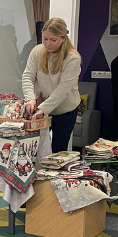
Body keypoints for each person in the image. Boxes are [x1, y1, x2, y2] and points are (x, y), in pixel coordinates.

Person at [21, 17, 82, 153]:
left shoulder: (73, 58)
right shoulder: (37, 51)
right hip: (42, 108)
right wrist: (30, 98)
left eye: (53, 40)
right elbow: (28, 75)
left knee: (58, 151)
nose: (48, 44)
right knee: (36, 149)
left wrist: (42, 108)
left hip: (65, 109)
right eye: (45, 39)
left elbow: (63, 90)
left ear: (63, 38)